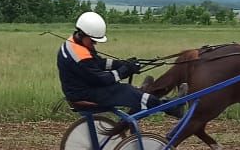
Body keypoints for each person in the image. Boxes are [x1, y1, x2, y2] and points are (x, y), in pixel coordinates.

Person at [57, 11, 186, 115]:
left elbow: (99, 63)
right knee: (125, 90)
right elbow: (103, 80)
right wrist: (125, 70)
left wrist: (122, 63)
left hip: (79, 88)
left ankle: (141, 94)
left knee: (128, 91)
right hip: (82, 93)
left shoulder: (73, 42)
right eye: (93, 41)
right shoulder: (80, 56)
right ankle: (171, 108)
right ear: (83, 34)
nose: (95, 43)